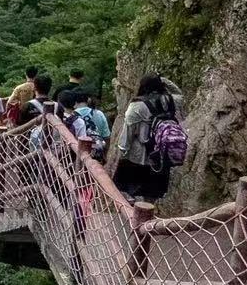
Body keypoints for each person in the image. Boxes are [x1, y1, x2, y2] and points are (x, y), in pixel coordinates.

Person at [114, 73, 186, 202]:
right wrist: (163, 80)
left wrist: (123, 150)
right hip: (162, 154)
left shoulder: (137, 105)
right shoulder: (172, 100)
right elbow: (179, 93)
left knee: (129, 189)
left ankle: (133, 216)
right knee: (152, 194)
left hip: (139, 155)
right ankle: (146, 218)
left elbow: (128, 131)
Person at [58, 88, 111, 160]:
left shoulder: (70, 116)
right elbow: (106, 136)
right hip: (96, 153)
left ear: (74, 101)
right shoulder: (99, 114)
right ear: (88, 99)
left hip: (75, 156)